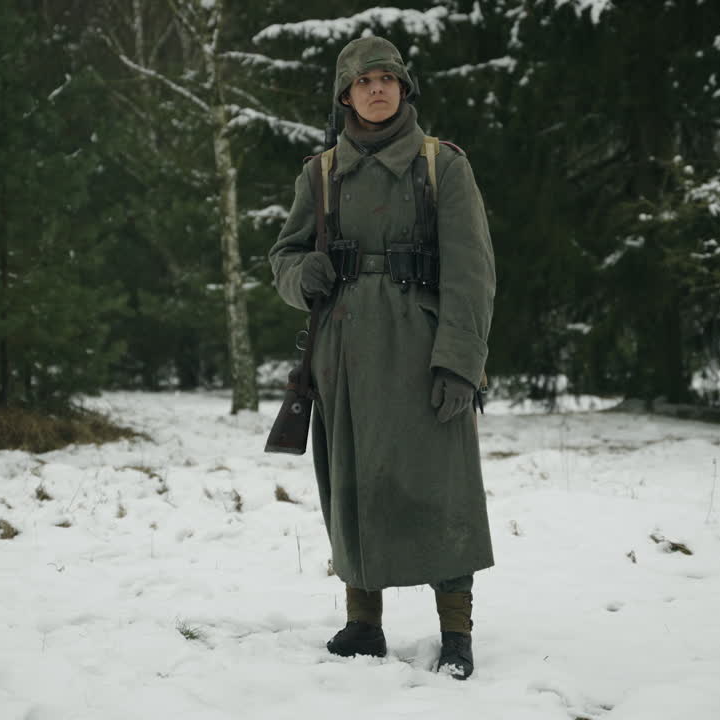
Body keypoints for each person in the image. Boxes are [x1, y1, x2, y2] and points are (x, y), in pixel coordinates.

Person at [268, 36, 496, 680]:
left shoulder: (441, 165)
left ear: (404, 88)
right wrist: (301, 274)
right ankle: (363, 622)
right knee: (350, 480)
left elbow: (472, 273)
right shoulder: (318, 172)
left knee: (439, 485)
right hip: (342, 352)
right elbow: (283, 256)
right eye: (363, 81)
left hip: (422, 349)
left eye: (388, 79)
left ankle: (456, 631)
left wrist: (459, 360)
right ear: (346, 94)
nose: (377, 89)